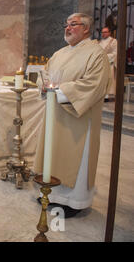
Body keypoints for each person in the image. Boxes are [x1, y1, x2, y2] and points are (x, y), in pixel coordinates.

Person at [34, 13, 109, 218]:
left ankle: (73, 201)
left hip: (80, 118)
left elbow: (94, 84)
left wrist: (59, 92)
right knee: (54, 153)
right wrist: (46, 87)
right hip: (56, 114)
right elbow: (45, 75)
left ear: (86, 28)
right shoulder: (59, 53)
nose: (67, 28)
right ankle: (52, 194)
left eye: (73, 25)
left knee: (75, 157)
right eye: (66, 25)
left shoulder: (96, 54)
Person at [99, 27, 117, 100]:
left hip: (109, 64)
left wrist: (105, 56)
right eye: (102, 32)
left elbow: (116, 53)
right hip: (100, 64)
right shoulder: (99, 42)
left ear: (109, 33)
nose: (103, 34)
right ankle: (100, 95)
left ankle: (108, 96)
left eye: (105, 32)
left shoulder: (113, 41)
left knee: (108, 79)